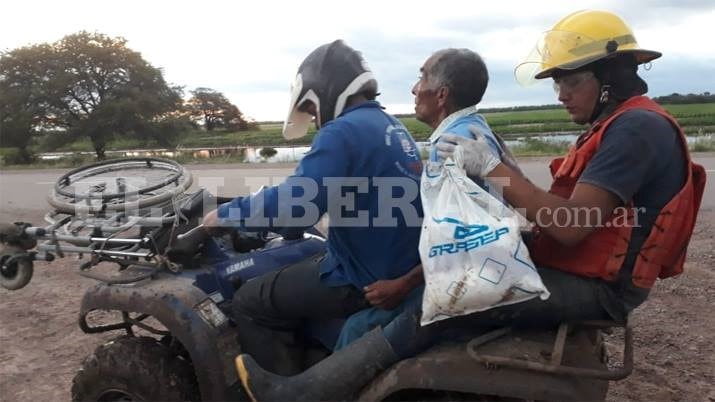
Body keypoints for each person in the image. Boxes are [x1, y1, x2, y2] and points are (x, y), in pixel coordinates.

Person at [235, 10, 706, 402]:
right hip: (580, 267)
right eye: (556, 83)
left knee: (449, 302)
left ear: (610, 77)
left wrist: (493, 169)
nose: (560, 95)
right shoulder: (617, 124)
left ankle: (302, 394)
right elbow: (542, 211)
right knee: (452, 276)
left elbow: (568, 225)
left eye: (571, 81)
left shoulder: (636, 129)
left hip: (599, 286)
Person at [203, 40, 425, 376]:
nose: (316, 119)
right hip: (397, 261)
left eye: (312, 109)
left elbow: (297, 204)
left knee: (250, 300)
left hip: (363, 276)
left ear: (326, 90)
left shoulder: (342, 131)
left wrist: (224, 213)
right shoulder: (388, 125)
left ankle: (284, 388)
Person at [333, 47, 518, 351]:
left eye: (422, 77)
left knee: (356, 328)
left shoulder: (451, 146)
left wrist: (403, 283)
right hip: (483, 267)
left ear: (441, 95)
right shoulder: (475, 128)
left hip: (469, 277)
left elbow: (462, 241)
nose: (414, 88)